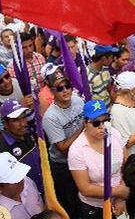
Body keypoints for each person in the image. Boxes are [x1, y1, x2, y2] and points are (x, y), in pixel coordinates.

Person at [68, 99, 129, 218]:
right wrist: (118, 192)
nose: (102, 127)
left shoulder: (114, 134)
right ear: (85, 123)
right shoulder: (77, 150)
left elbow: (126, 165)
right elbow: (85, 188)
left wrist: (120, 198)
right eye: (96, 123)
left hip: (121, 199)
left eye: (106, 121)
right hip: (95, 208)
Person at [42, 70, 85, 218]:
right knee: (70, 200)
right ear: (52, 91)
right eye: (60, 88)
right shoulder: (50, 117)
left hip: (81, 156)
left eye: (67, 86)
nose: (65, 91)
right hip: (63, 164)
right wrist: (82, 128)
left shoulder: (78, 100)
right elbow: (62, 148)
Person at [0, 98, 42, 190]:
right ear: (5, 123)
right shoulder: (2, 151)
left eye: (24, 118)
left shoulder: (28, 133)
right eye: (16, 120)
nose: (22, 124)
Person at [0, 152, 44, 219]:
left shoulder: (26, 180)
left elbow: (39, 201)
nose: (21, 180)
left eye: (19, 174)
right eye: (14, 180)